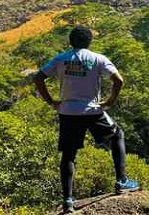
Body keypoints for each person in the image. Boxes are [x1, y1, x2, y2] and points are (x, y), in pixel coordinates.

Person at [33, 25, 140, 213]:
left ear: (70, 41)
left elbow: (38, 78)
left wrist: (51, 101)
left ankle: (68, 201)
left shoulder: (61, 59)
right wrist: (109, 101)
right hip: (92, 111)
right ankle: (122, 181)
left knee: (69, 155)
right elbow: (118, 80)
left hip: (67, 112)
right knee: (117, 136)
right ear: (89, 41)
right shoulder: (98, 59)